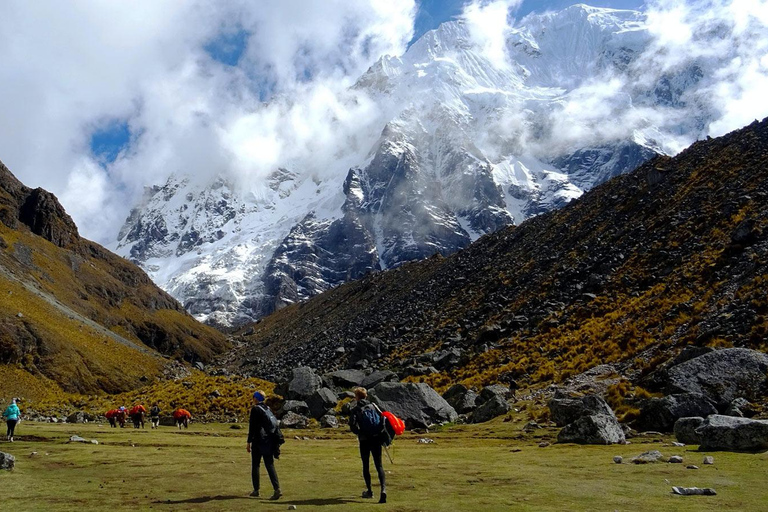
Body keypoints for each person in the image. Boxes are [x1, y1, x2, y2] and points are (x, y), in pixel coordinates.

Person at [349, 387, 388, 504]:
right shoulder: (374, 406)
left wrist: (360, 433)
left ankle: (370, 491)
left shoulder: (356, 409)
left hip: (364, 440)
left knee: (366, 465)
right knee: (379, 466)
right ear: (366, 396)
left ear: (357, 397)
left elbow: (352, 425)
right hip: (376, 439)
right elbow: (383, 419)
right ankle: (383, 490)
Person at [247, 391, 282, 500]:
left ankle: (256, 490)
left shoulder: (255, 409)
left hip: (258, 441)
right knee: (269, 465)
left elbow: (252, 427)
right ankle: (277, 488)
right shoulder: (267, 409)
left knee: (256, 465)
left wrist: (249, 442)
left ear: (256, 398)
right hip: (269, 441)